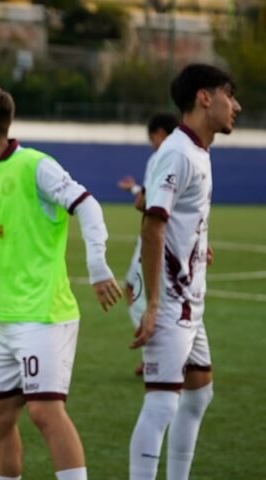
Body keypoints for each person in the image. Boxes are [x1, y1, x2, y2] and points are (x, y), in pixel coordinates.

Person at [0, 85, 121, 480]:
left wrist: (98, 266)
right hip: (11, 320)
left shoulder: (36, 166)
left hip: (44, 314)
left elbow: (88, 205)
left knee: (45, 411)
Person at [129, 64, 240, 480]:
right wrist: (153, 304)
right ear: (204, 97)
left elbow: (177, 219)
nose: (237, 105)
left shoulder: (197, 151)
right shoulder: (176, 152)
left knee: (198, 395)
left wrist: (196, 245)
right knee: (162, 404)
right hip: (172, 303)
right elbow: (152, 226)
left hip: (190, 302)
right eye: (229, 94)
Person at [117, 113, 178, 376]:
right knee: (143, 292)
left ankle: (153, 354)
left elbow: (145, 203)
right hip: (175, 238)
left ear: (160, 133)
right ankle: (152, 354)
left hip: (153, 238)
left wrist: (137, 195)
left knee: (141, 294)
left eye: (152, 137)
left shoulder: (160, 156)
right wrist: (135, 189)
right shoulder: (183, 154)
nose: (152, 143)